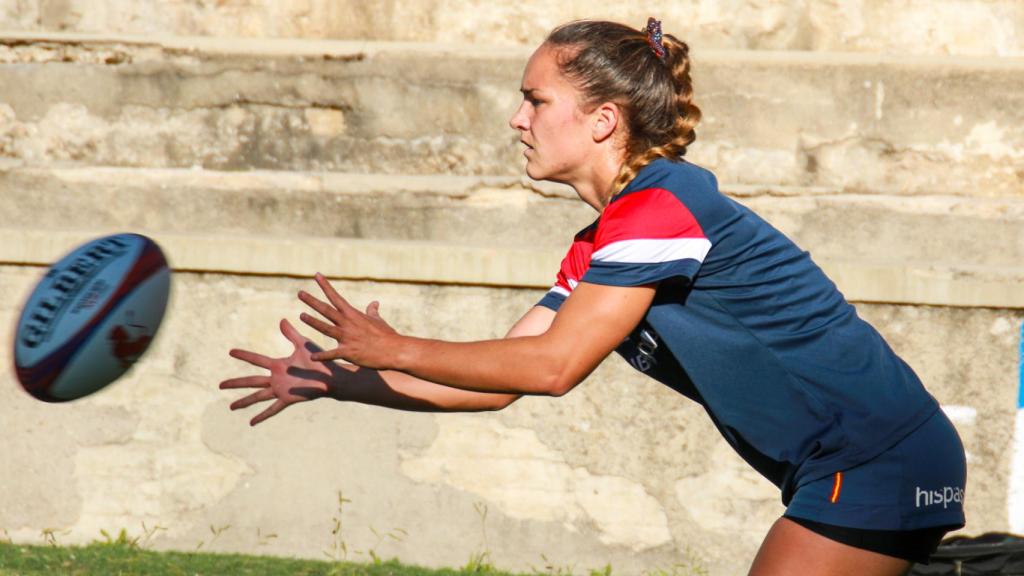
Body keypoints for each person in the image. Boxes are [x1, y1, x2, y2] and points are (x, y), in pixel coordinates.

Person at [221, 18, 966, 576]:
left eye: (535, 100)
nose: (518, 119)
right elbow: (500, 383)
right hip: (848, 466)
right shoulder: (603, 242)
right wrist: (342, 380)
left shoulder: (663, 205)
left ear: (604, 120)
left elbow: (554, 366)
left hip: (878, 460)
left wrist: (394, 346)